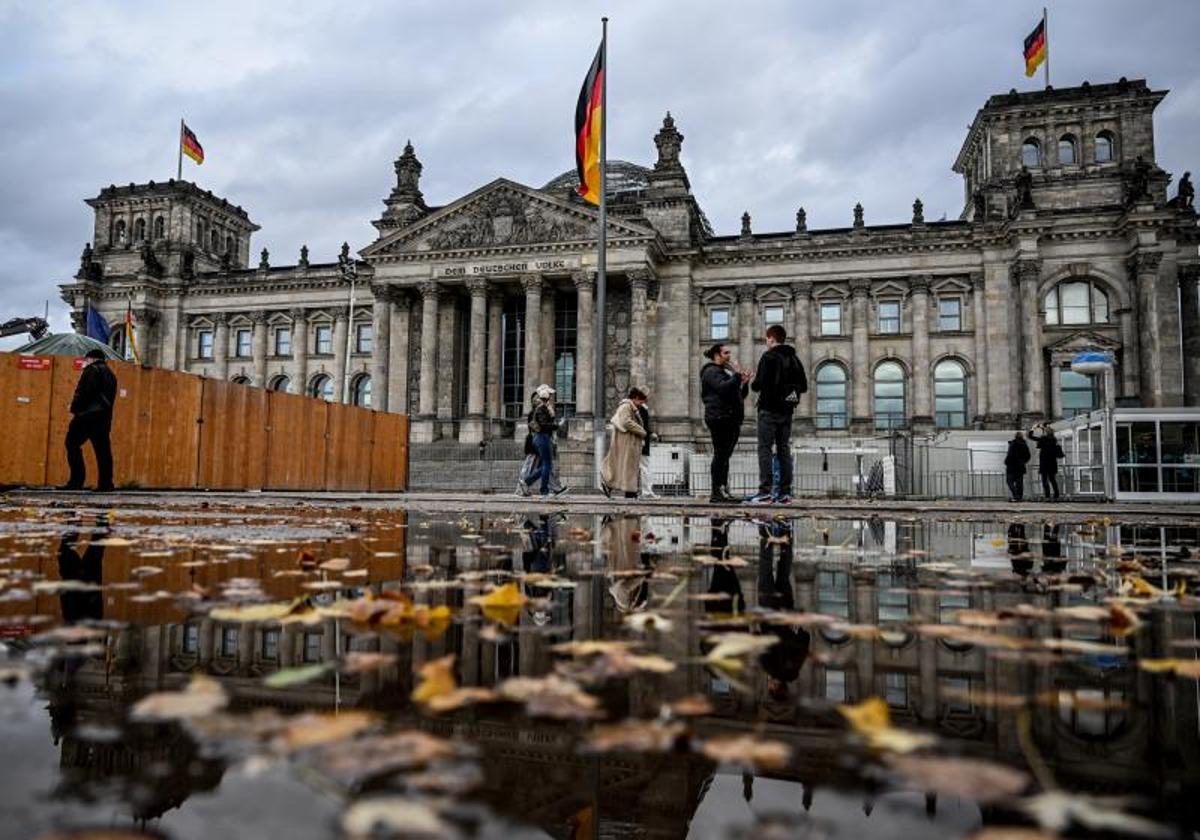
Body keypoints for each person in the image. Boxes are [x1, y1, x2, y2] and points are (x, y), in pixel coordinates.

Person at [747, 325, 807, 504]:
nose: (766, 342)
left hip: (769, 410)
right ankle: (784, 493)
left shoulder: (769, 356)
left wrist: (755, 381)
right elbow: (803, 386)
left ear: (771, 339)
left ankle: (765, 491)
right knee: (783, 449)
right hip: (787, 412)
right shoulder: (794, 358)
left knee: (765, 448)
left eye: (767, 339)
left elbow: (758, 385)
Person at [700, 343, 750, 503]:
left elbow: (738, 395)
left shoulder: (723, 372)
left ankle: (723, 490)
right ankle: (716, 493)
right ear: (717, 354)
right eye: (726, 352)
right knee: (720, 455)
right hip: (719, 417)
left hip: (730, 419)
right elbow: (723, 389)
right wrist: (736, 374)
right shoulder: (711, 371)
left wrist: (744, 382)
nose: (729, 355)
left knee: (725, 456)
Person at [63, 348, 117, 492]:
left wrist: (74, 408)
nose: (85, 362)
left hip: (87, 415)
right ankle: (106, 484)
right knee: (103, 450)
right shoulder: (111, 374)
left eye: (86, 359)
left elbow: (84, 392)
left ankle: (76, 481)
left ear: (92, 359)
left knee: (71, 444)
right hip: (104, 417)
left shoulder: (92, 370)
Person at [601, 387, 648, 498]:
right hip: (627, 442)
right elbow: (626, 422)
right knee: (628, 467)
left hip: (629, 442)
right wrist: (642, 431)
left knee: (627, 467)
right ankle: (629, 491)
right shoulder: (626, 406)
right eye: (641, 401)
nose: (642, 404)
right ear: (636, 398)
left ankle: (626, 490)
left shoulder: (630, 407)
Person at [523, 385, 567, 497]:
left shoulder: (544, 408)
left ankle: (527, 482)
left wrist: (552, 415)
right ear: (547, 397)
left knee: (545, 465)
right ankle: (543, 491)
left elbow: (545, 422)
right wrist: (557, 425)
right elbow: (543, 425)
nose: (551, 397)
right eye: (550, 396)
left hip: (542, 438)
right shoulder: (541, 409)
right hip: (542, 437)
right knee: (546, 465)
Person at [1028, 423, 1064, 500]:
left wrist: (1033, 428)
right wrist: (1043, 428)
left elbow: (1030, 436)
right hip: (1052, 463)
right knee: (1052, 480)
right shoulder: (1054, 440)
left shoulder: (1043, 439)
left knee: (1044, 480)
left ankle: (1047, 496)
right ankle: (1056, 495)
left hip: (1044, 462)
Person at [636, 398, 660, 499]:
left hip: (642, 442)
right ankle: (646, 492)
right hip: (643, 443)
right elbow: (643, 427)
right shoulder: (642, 409)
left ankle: (645, 491)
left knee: (644, 467)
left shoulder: (641, 409)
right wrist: (650, 434)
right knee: (645, 467)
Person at [1003, 431, 1031, 502]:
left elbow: (1010, 455)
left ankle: (1016, 495)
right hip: (1020, 467)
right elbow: (1028, 456)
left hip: (1012, 466)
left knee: (1009, 481)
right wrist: (1023, 462)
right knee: (1019, 483)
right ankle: (1019, 497)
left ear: (1015, 436)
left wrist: (1006, 462)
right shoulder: (1024, 445)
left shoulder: (1013, 444)